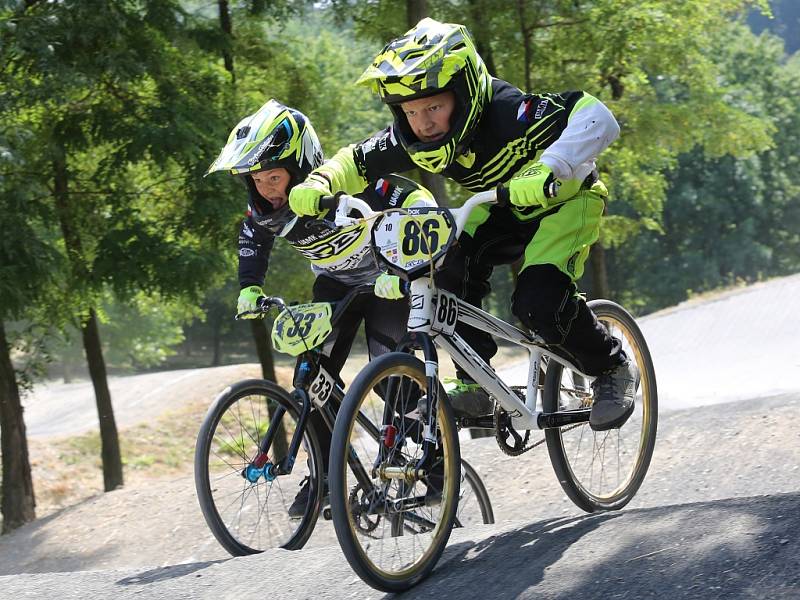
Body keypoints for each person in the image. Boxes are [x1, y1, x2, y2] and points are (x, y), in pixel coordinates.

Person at [288, 18, 638, 432]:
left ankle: (612, 367)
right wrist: (320, 182)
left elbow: (596, 115)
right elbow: (356, 159)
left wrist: (552, 167)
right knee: (444, 277)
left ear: (465, 90)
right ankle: (474, 384)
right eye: (410, 110)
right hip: (497, 207)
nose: (423, 122)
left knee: (537, 302)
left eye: (433, 106)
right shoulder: (411, 137)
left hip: (566, 201)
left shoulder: (507, 112)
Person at [206, 99, 435, 515]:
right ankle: (326, 476)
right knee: (312, 377)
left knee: (387, 375)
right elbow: (253, 244)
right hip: (335, 285)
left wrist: (403, 263)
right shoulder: (263, 211)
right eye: (257, 180)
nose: (267, 188)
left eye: (274, 177)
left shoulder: (342, 184)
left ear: (300, 167)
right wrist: (249, 289)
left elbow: (417, 197)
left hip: (387, 284)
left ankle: (430, 457)